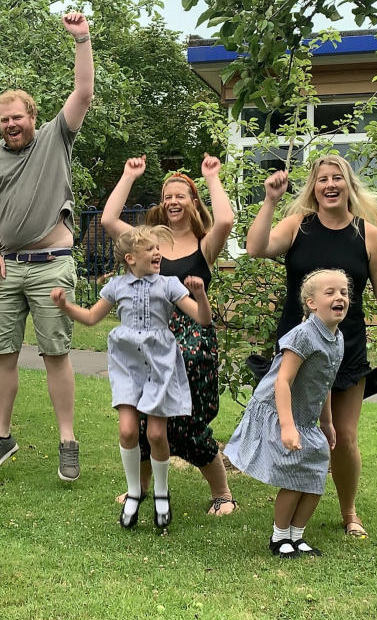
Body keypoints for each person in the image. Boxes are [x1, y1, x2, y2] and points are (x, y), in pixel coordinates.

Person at [246, 156, 377, 539]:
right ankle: (288, 520)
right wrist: (270, 200)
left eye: (337, 177)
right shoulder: (298, 227)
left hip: (345, 347)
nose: (329, 184)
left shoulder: (368, 235)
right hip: (299, 347)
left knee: (344, 434)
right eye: (322, 179)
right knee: (297, 430)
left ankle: (348, 510)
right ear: (314, 187)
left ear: (349, 184)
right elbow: (256, 247)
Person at [0, 12, 94, 481]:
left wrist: (81, 39)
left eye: (17, 117)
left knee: (55, 353)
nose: (11, 125)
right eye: (4, 120)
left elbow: (82, 91)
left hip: (50, 266)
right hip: (7, 270)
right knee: (1, 353)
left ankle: (68, 440)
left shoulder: (55, 139)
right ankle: (2, 437)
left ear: (33, 117)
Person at [101, 154, 238, 514]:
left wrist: (211, 176)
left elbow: (225, 218)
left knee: (187, 420)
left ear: (193, 203)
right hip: (151, 338)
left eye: (180, 195)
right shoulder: (146, 242)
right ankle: (140, 488)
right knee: (142, 415)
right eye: (167, 196)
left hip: (193, 336)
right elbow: (108, 219)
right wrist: (129, 175)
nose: (173, 201)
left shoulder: (204, 244)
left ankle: (222, 492)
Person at [52, 226, 212, 529]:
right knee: (127, 431)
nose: (157, 253)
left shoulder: (168, 285)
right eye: (150, 249)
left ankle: (161, 493)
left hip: (160, 365)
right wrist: (64, 306)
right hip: (127, 365)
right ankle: (135, 492)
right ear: (130, 258)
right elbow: (90, 317)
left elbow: (203, 318)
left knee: (155, 434)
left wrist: (200, 295)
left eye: (157, 248)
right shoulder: (116, 286)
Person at [224, 269, 349, 557]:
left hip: (307, 418)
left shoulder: (337, 339)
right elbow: (282, 380)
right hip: (281, 411)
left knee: (315, 476)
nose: (339, 297)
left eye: (343, 292)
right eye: (330, 292)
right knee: (293, 477)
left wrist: (327, 421)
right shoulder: (303, 336)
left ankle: (297, 535)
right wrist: (287, 426)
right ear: (311, 303)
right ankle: (280, 537)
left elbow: (326, 382)